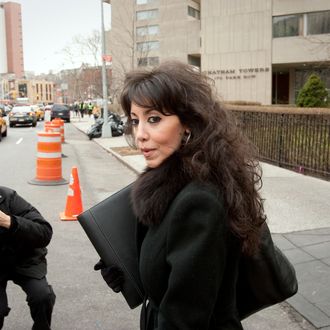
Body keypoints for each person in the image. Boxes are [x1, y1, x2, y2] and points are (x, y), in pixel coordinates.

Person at [94, 61, 266, 329]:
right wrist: (127, 269)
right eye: (135, 120)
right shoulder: (168, 185)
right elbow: (169, 267)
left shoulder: (198, 202)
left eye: (154, 119)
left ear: (188, 124)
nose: (140, 134)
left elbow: (184, 319)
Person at [0, 186, 56, 330]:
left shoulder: (8, 197)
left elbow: (44, 232)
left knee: (42, 296)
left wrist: (9, 222)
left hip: (24, 258)